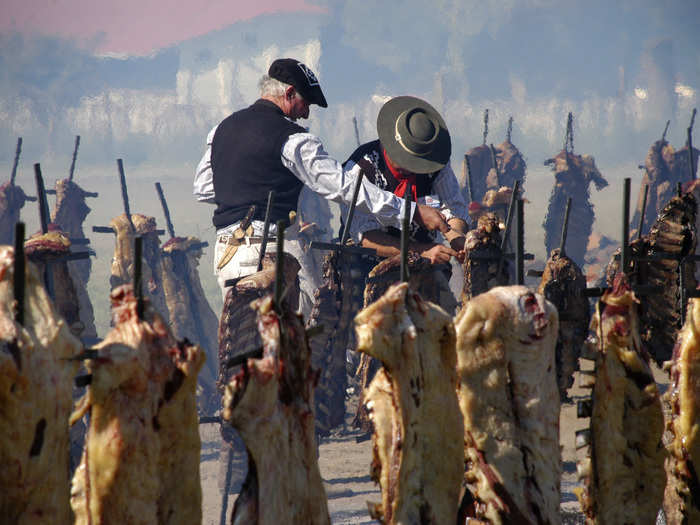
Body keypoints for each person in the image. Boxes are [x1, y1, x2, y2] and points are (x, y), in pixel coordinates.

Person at [193, 58, 452, 301]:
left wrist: (246, 191)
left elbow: (204, 188)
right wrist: (410, 211)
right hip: (270, 251)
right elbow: (344, 187)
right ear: (290, 93)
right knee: (308, 333)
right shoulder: (293, 139)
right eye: (306, 103)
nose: (305, 114)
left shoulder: (221, 129)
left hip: (227, 254)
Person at [342, 95, 468, 300]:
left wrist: (457, 238)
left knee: (442, 316)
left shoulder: (435, 163)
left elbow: (453, 207)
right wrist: (422, 250)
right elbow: (364, 236)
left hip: (426, 267)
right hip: (367, 268)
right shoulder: (362, 167)